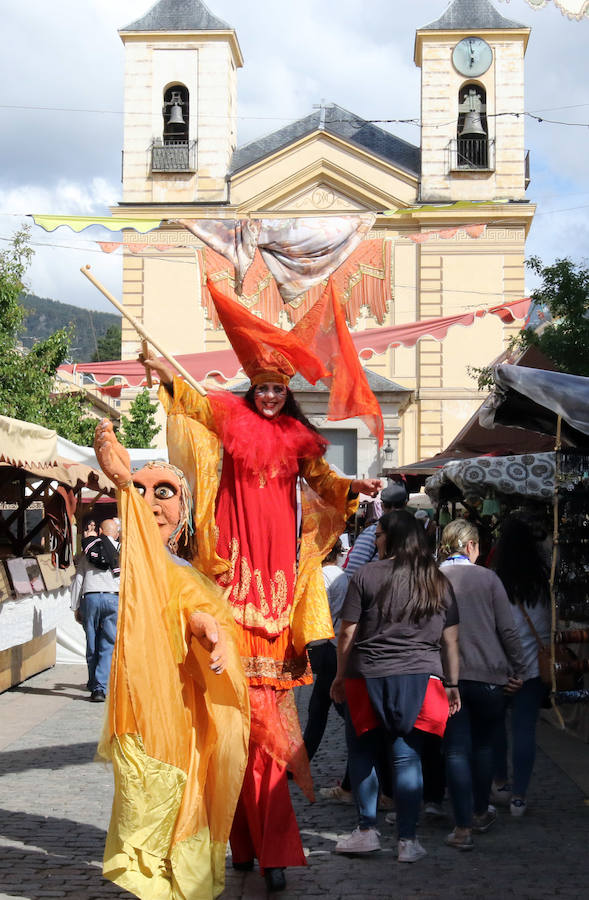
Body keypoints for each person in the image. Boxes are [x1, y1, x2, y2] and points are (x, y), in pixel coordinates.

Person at [142, 285, 380, 893]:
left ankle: (258, 844)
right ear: (253, 386)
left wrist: (357, 488)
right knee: (235, 725)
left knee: (261, 727)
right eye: (264, 386)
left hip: (274, 606)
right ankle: (253, 843)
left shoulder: (301, 441)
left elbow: (328, 486)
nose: (271, 395)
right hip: (231, 591)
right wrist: (159, 375)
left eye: (279, 387)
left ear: (288, 391)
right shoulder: (229, 417)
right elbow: (192, 404)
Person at [94, 420, 249, 900]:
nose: (151, 502)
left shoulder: (179, 571)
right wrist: (122, 483)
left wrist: (211, 633)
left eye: (164, 492)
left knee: (174, 798)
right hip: (134, 711)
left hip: (174, 712)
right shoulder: (138, 562)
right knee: (143, 801)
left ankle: (176, 885)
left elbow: (193, 609)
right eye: (142, 491)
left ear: (184, 510)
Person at [330, 510, 460, 863]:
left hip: (366, 674)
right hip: (421, 676)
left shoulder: (366, 575)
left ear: (392, 537)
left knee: (363, 751)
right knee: (407, 756)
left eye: (379, 534)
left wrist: (340, 676)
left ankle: (367, 830)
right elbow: (451, 641)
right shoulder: (437, 580)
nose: (375, 540)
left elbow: (347, 632)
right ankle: (407, 840)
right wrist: (453, 683)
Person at [439, 519, 526, 850]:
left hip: (450, 679)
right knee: (485, 746)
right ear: (471, 546)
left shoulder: (434, 577)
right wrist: (519, 668)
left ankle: (462, 828)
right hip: (490, 676)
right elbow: (508, 629)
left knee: (456, 748)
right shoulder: (488, 578)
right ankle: (479, 811)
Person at [491, 515, 551, 817]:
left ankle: (500, 781)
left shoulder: (497, 581)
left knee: (496, 728)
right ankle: (519, 796)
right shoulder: (543, 583)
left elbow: (499, 628)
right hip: (532, 669)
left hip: (501, 668)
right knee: (525, 730)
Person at [303, 540, 348, 763]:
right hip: (336, 644)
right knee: (319, 706)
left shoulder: (322, 576)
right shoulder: (342, 574)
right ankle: (302, 758)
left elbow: (319, 613)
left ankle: (302, 759)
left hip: (330, 647)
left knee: (324, 705)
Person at [70, 518, 120, 702]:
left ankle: (92, 681)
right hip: (113, 597)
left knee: (92, 641)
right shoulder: (121, 551)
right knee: (107, 644)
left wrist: (75, 605)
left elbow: (79, 579)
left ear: (99, 531)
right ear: (116, 534)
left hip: (90, 598)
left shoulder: (88, 552)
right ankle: (100, 687)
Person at [343, 482, 408, 577]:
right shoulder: (371, 533)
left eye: (398, 505)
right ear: (382, 506)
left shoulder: (413, 533)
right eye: (389, 505)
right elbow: (352, 574)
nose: (394, 510)